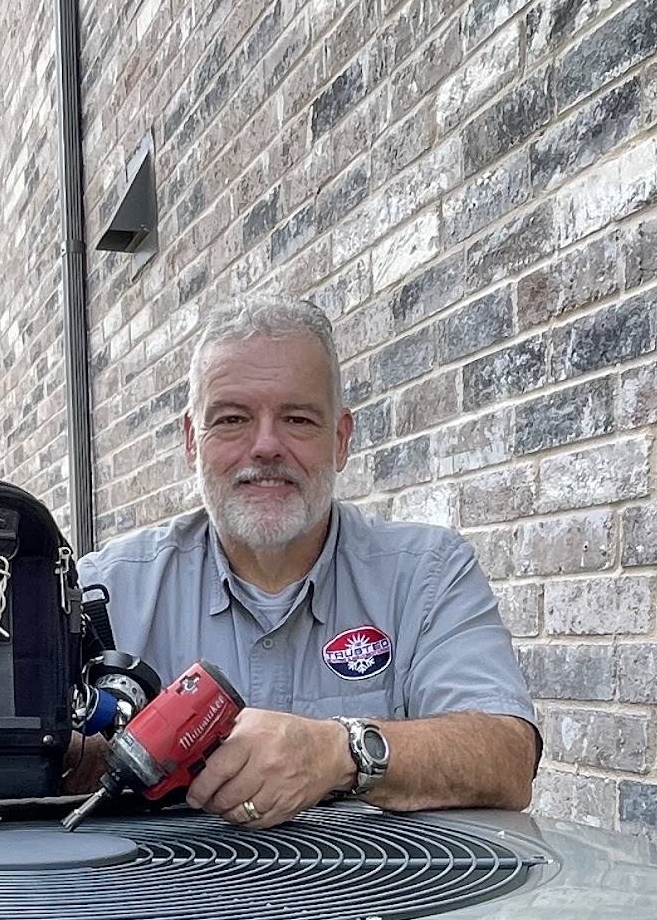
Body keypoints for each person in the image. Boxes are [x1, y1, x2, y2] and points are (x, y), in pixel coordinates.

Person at [76, 296, 540, 827]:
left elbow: (507, 758)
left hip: (377, 883)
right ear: (191, 442)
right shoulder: (100, 591)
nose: (266, 446)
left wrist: (338, 751)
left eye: (297, 419)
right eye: (232, 419)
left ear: (341, 440)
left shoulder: (427, 574)